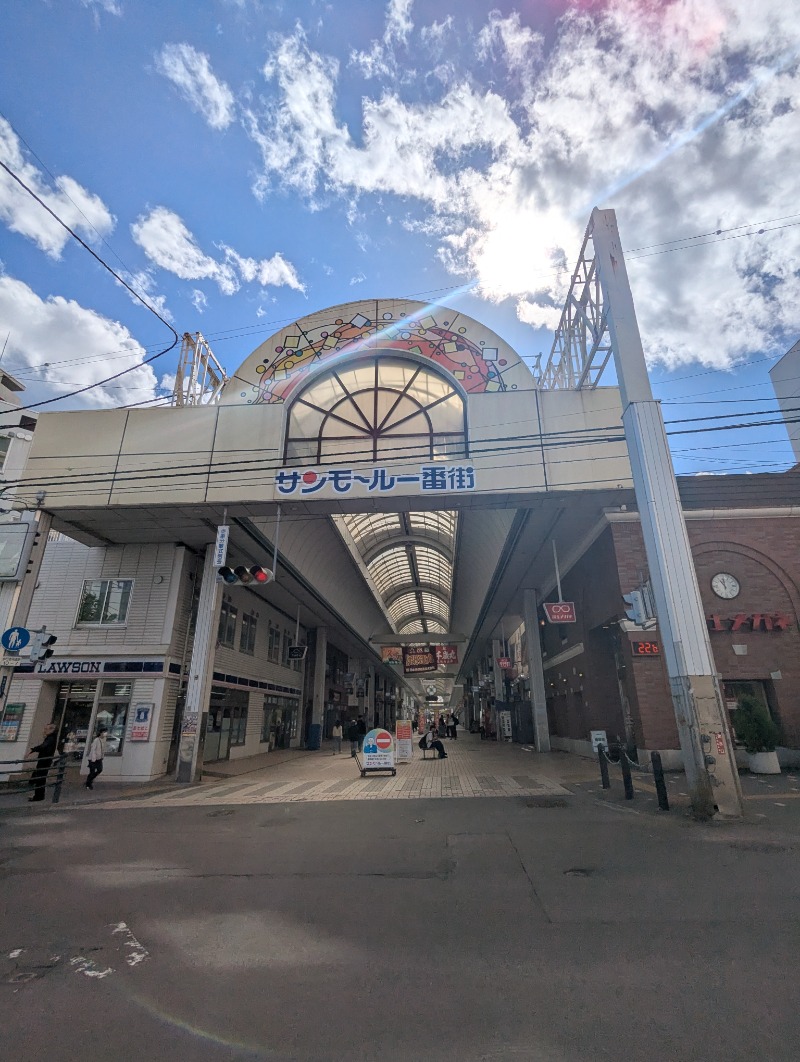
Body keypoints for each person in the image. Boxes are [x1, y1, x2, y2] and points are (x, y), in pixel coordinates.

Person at [28, 723, 59, 802]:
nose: (44, 730)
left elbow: (43, 746)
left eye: (46, 729)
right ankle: (39, 795)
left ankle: (38, 796)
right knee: (40, 778)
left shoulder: (50, 738)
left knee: (40, 778)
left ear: (51, 730)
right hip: (45, 760)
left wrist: (33, 749)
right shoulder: (51, 737)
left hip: (44, 760)